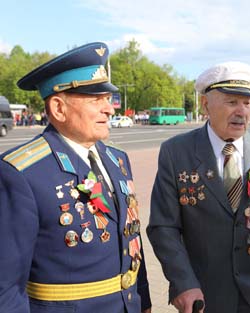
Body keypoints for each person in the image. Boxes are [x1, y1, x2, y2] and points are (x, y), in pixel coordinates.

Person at [0, 42, 152, 313]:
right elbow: (6, 287)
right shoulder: (21, 172)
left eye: (108, 98)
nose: (110, 109)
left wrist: (144, 302)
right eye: (96, 100)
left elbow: (131, 241)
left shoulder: (118, 160)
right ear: (59, 109)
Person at [146, 61, 250, 313]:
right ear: (205, 105)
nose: (242, 111)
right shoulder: (176, 152)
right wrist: (183, 282)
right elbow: (164, 227)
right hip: (202, 294)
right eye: (231, 102)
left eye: (246, 103)